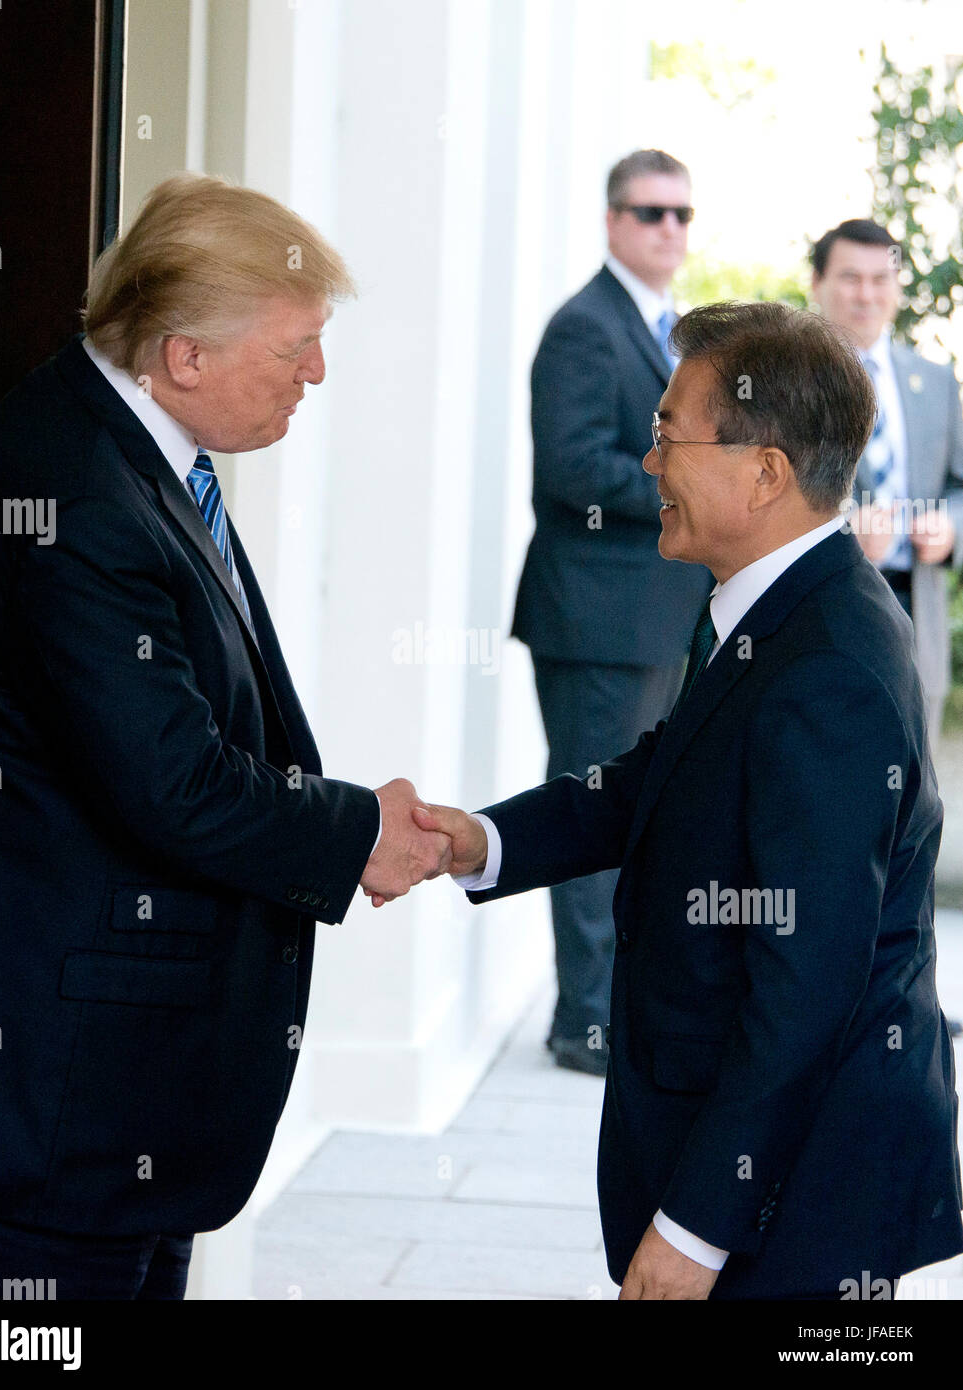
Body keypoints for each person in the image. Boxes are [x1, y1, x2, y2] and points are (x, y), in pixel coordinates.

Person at [0, 173, 448, 1301]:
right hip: (61, 1123)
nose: (316, 374)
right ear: (184, 355)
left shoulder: (135, 454)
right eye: (297, 346)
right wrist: (358, 829)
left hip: (126, 1115)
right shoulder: (70, 486)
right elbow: (172, 781)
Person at [408, 301, 963, 1299]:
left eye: (669, 434)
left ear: (764, 472)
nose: (649, 461)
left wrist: (703, 1222)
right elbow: (660, 778)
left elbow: (809, 979)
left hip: (798, 1194)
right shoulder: (774, 607)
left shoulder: (827, 664)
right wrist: (481, 840)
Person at [511, 149, 712, 1077]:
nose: (668, 229)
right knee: (594, 817)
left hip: (651, 620)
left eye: (680, 214)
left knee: (633, 818)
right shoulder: (585, 328)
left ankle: (608, 1009)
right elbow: (571, 468)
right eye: (649, 212)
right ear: (610, 220)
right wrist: (683, 478)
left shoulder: (666, 329)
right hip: (594, 620)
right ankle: (582, 1022)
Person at [811, 217, 963, 752]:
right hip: (824, 613)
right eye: (851, 277)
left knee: (911, 790)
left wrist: (951, 527)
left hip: (915, 607)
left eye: (882, 279)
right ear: (818, 285)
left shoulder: (936, 380)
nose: (867, 293)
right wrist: (841, 532)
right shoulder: (787, 383)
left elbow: (959, 486)